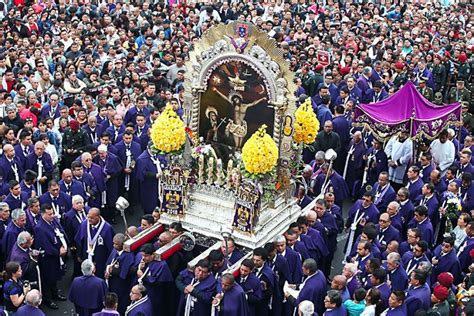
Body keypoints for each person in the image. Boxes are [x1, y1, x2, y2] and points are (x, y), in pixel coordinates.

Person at [33, 203, 67, 310]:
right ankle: (48, 299)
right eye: (49, 214)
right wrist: (58, 252)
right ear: (43, 214)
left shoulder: (52, 222)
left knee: (54, 277)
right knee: (47, 279)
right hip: (47, 258)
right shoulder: (40, 228)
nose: (52, 215)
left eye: (52, 213)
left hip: (55, 257)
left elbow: (59, 233)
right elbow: (44, 246)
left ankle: (55, 293)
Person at [75, 208, 114, 279]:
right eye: (88, 217)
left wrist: (108, 265)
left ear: (98, 217)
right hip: (86, 257)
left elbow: (110, 248)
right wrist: (79, 254)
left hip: (100, 260)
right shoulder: (84, 224)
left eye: (92, 218)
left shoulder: (107, 228)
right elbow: (79, 241)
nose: (89, 219)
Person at [104, 233, 135, 315]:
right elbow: (108, 263)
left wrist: (112, 270)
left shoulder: (128, 255)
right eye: (113, 243)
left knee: (121, 305)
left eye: (116, 244)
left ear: (123, 244)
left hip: (122, 286)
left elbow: (124, 273)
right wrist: (107, 271)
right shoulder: (115, 250)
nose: (114, 246)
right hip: (112, 282)